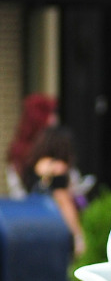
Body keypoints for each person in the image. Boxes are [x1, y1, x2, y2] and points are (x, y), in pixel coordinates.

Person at [23, 125, 86, 257]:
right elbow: (63, 201)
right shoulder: (58, 168)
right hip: (55, 226)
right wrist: (78, 235)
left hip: (32, 222)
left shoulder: (35, 165)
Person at [5, 93, 57, 199]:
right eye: (50, 114)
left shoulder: (54, 145)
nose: (54, 119)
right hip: (29, 207)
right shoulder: (21, 153)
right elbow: (18, 191)